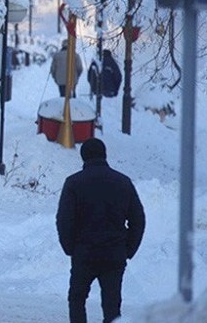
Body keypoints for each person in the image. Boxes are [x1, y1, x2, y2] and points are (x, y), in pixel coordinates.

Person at [56, 138, 145, 323]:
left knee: (77, 299)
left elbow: (64, 220)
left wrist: (70, 248)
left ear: (83, 157)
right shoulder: (123, 182)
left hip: (84, 253)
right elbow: (138, 220)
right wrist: (128, 249)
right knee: (112, 306)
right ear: (104, 155)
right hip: (114, 254)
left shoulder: (73, 183)